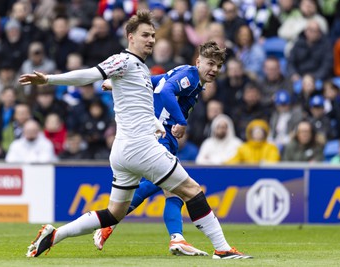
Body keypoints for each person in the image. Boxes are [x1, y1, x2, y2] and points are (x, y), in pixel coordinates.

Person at [20, 10, 251, 259]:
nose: (151, 40)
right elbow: (89, 74)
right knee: (192, 190)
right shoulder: (124, 61)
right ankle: (222, 248)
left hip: (123, 151)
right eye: (145, 35)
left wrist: (156, 123)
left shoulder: (140, 69)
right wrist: (48, 79)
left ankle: (55, 235)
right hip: (141, 147)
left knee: (114, 213)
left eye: (152, 35)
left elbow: (141, 102)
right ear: (130, 37)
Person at [94, 40, 226, 255]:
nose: (214, 70)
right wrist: (181, 121)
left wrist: (118, 84)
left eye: (218, 66)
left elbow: (158, 81)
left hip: (163, 137)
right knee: (164, 186)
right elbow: (166, 92)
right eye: (211, 64)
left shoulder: (186, 73)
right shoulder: (191, 78)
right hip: (160, 134)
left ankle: (177, 238)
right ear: (198, 61)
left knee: (173, 191)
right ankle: (110, 222)